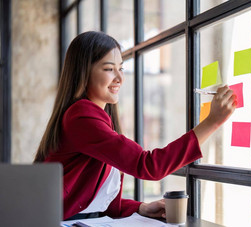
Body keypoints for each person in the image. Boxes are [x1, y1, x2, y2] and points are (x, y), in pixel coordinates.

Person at [33, 31, 237, 221]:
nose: (120, 78)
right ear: (83, 72)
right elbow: (148, 166)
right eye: (108, 69)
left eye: (120, 68)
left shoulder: (95, 117)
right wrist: (212, 122)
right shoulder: (82, 116)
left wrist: (140, 208)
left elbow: (92, 199)